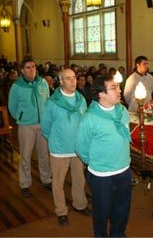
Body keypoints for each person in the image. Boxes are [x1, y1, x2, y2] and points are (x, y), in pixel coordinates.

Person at [76, 74, 132, 237]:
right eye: (114, 88)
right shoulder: (90, 118)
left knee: (122, 209)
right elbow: (81, 148)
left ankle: (118, 234)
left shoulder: (121, 110)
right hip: (102, 175)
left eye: (118, 87)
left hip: (124, 170)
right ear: (100, 94)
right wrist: (95, 162)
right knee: (101, 212)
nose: (119, 91)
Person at [41, 69, 90, 227]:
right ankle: (61, 211)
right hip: (59, 150)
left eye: (74, 78)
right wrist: (57, 140)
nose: (73, 81)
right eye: (68, 78)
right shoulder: (52, 102)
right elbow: (45, 127)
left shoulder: (81, 99)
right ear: (61, 82)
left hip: (77, 148)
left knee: (79, 179)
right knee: (58, 183)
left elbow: (84, 122)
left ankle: (80, 204)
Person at [8, 58, 52, 198]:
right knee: (26, 156)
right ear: (22, 70)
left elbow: (47, 100)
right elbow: (12, 106)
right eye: (28, 67)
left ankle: (46, 179)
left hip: (43, 124)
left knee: (44, 154)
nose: (31, 69)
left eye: (33, 66)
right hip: (26, 125)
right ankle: (25, 183)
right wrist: (21, 117)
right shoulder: (17, 86)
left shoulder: (42, 83)